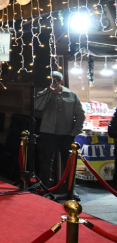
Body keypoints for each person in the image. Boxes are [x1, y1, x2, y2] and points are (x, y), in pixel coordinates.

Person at [34, 70, 85, 199]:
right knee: (46, 161)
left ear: (61, 81)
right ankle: (45, 187)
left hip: (67, 134)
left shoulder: (72, 95)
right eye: (51, 80)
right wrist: (48, 91)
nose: (54, 83)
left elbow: (80, 114)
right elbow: (37, 106)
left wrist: (75, 130)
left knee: (69, 162)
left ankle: (70, 188)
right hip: (48, 133)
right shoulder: (44, 94)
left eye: (56, 80)